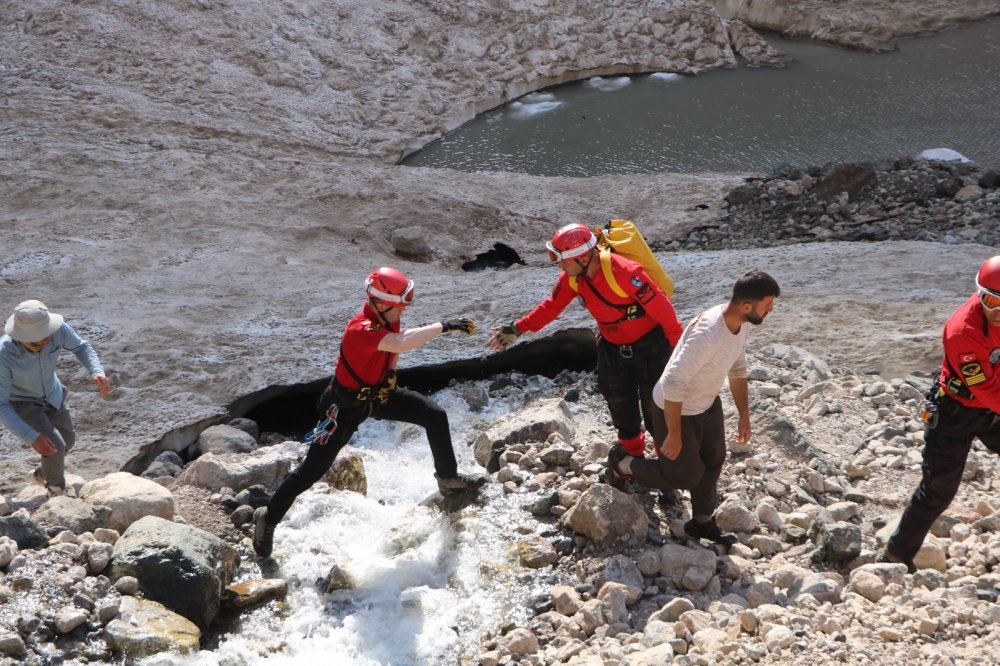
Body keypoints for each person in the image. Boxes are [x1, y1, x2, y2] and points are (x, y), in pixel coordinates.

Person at [253, 267, 488, 558]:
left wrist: (390, 375)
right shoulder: (360, 329)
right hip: (345, 406)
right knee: (310, 472)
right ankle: (268, 518)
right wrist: (445, 325)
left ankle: (448, 478)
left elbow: (393, 349)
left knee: (434, 415)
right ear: (379, 302)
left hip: (378, 395)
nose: (401, 311)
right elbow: (399, 342)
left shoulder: (389, 315)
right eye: (398, 305)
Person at [487, 223, 684, 500]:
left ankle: (666, 473)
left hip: (652, 347)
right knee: (620, 404)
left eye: (560, 259)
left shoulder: (625, 272)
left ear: (582, 257)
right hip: (613, 349)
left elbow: (664, 310)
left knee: (657, 411)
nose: (557, 266)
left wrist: (681, 350)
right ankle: (632, 461)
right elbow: (551, 307)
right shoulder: (573, 278)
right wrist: (518, 328)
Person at [606, 270, 780, 545]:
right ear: (747, 305)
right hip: (674, 407)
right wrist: (673, 433)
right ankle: (622, 464)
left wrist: (745, 416)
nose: (771, 309)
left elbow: (737, 367)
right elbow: (674, 383)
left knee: (714, 460)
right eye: (768, 304)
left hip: (707, 402)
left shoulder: (743, 322)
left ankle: (701, 522)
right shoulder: (708, 334)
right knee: (683, 475)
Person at [883, 256, 1000, 573]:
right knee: (938, 490)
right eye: (991, 301)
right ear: (979, 294)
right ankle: (897, 553)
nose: (998, 310)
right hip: (956, 412)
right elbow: (985, 390)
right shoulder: (963, 331)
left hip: (993, 405)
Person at [0, 300, 112, 495]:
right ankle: (56, 490)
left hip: (54, 394)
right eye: (40, 338)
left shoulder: (57, 330)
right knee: (56, 446)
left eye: (48, 331)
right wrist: (31, 437)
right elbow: (1, 404)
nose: (49, 338)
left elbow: (82, 347)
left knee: (68, 441)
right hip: (23, 402)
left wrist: (96, 370)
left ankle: (41, 474)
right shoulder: (4, 354)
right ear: (23, 337)